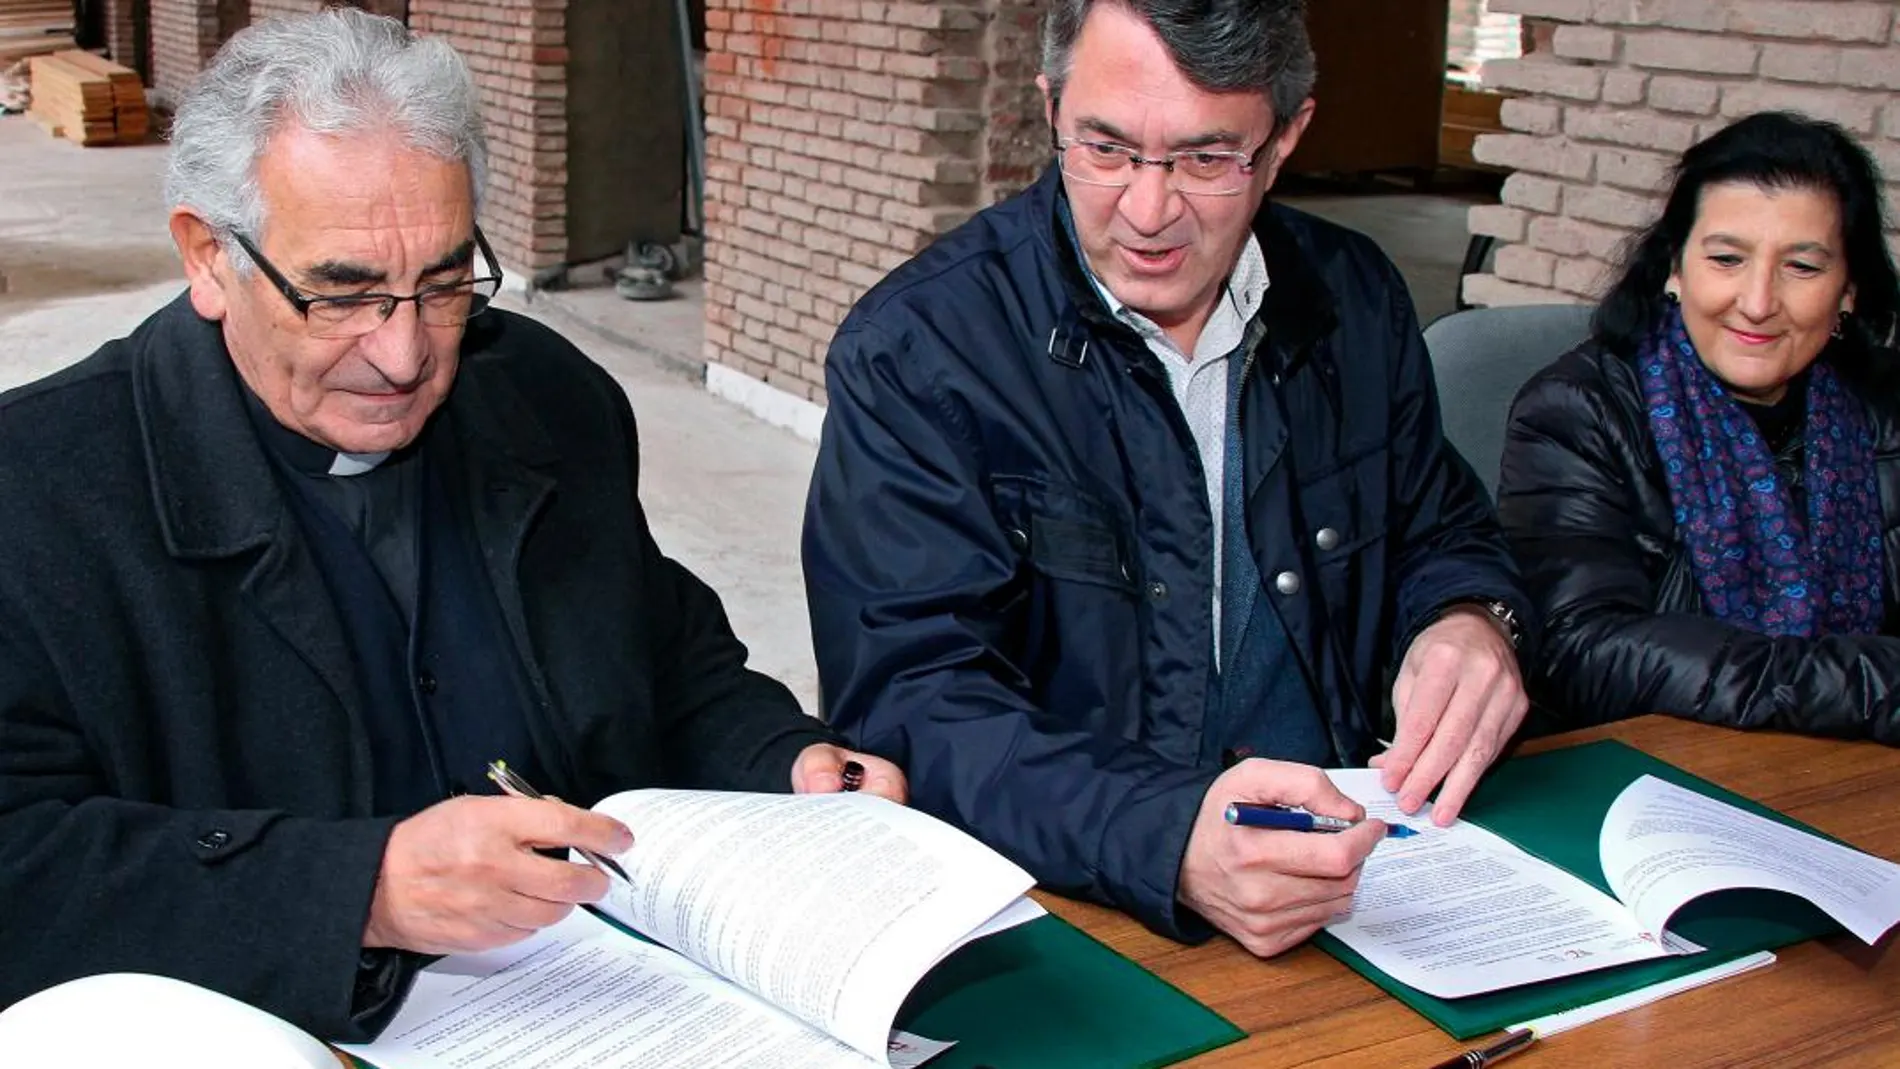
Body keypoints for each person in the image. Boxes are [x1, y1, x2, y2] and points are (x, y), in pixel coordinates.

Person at [0, 8, 903, 1041]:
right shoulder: (34, 498)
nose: (403, 355)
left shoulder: (545, 400)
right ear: (209, 259)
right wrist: (359, 891)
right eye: (341, 294)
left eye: (441, 283)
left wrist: (783, 759)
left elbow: (669, 661)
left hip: (613, 1006)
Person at [802, 0, 1531, 958]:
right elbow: (909, 697)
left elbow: (1439, 528)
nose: (1148, 213)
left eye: (1206, 158)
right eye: (1104, 149)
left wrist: (1474, 618)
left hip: (1363, 876)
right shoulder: (919, 349)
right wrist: (1166, 835)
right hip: (1076, 909)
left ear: (1285, 140)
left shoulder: (1354, 297)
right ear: (1050, 106)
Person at [1498, 111, 1900, 745]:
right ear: (1675, 269)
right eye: (1727, 259)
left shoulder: (1882, 409)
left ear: (1848, 289)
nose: (1759, 301)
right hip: (1647, 774)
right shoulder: (1579, 409)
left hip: (1852, 772)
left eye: (1802, 267)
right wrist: (1875, 683)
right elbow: (1581, 651)